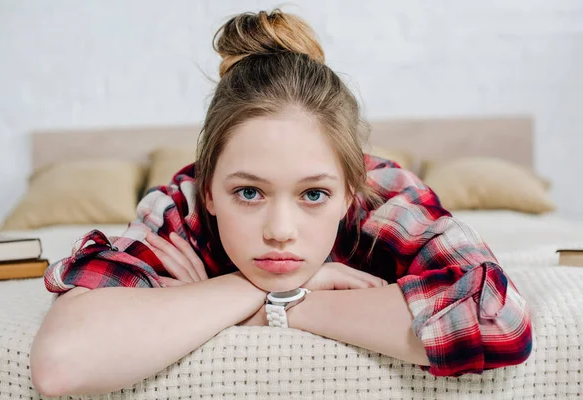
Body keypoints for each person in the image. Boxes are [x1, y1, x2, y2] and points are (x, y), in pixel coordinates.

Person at [30, 8, 533, 397]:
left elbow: (499, 321)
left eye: (314, 194)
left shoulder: (383, 197)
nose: (280, 230)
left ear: (349, 191)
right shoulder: (180, 207)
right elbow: (61, 362)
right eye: (248, 192)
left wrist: (285, 306)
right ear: (208, 188)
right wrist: (244, 290)